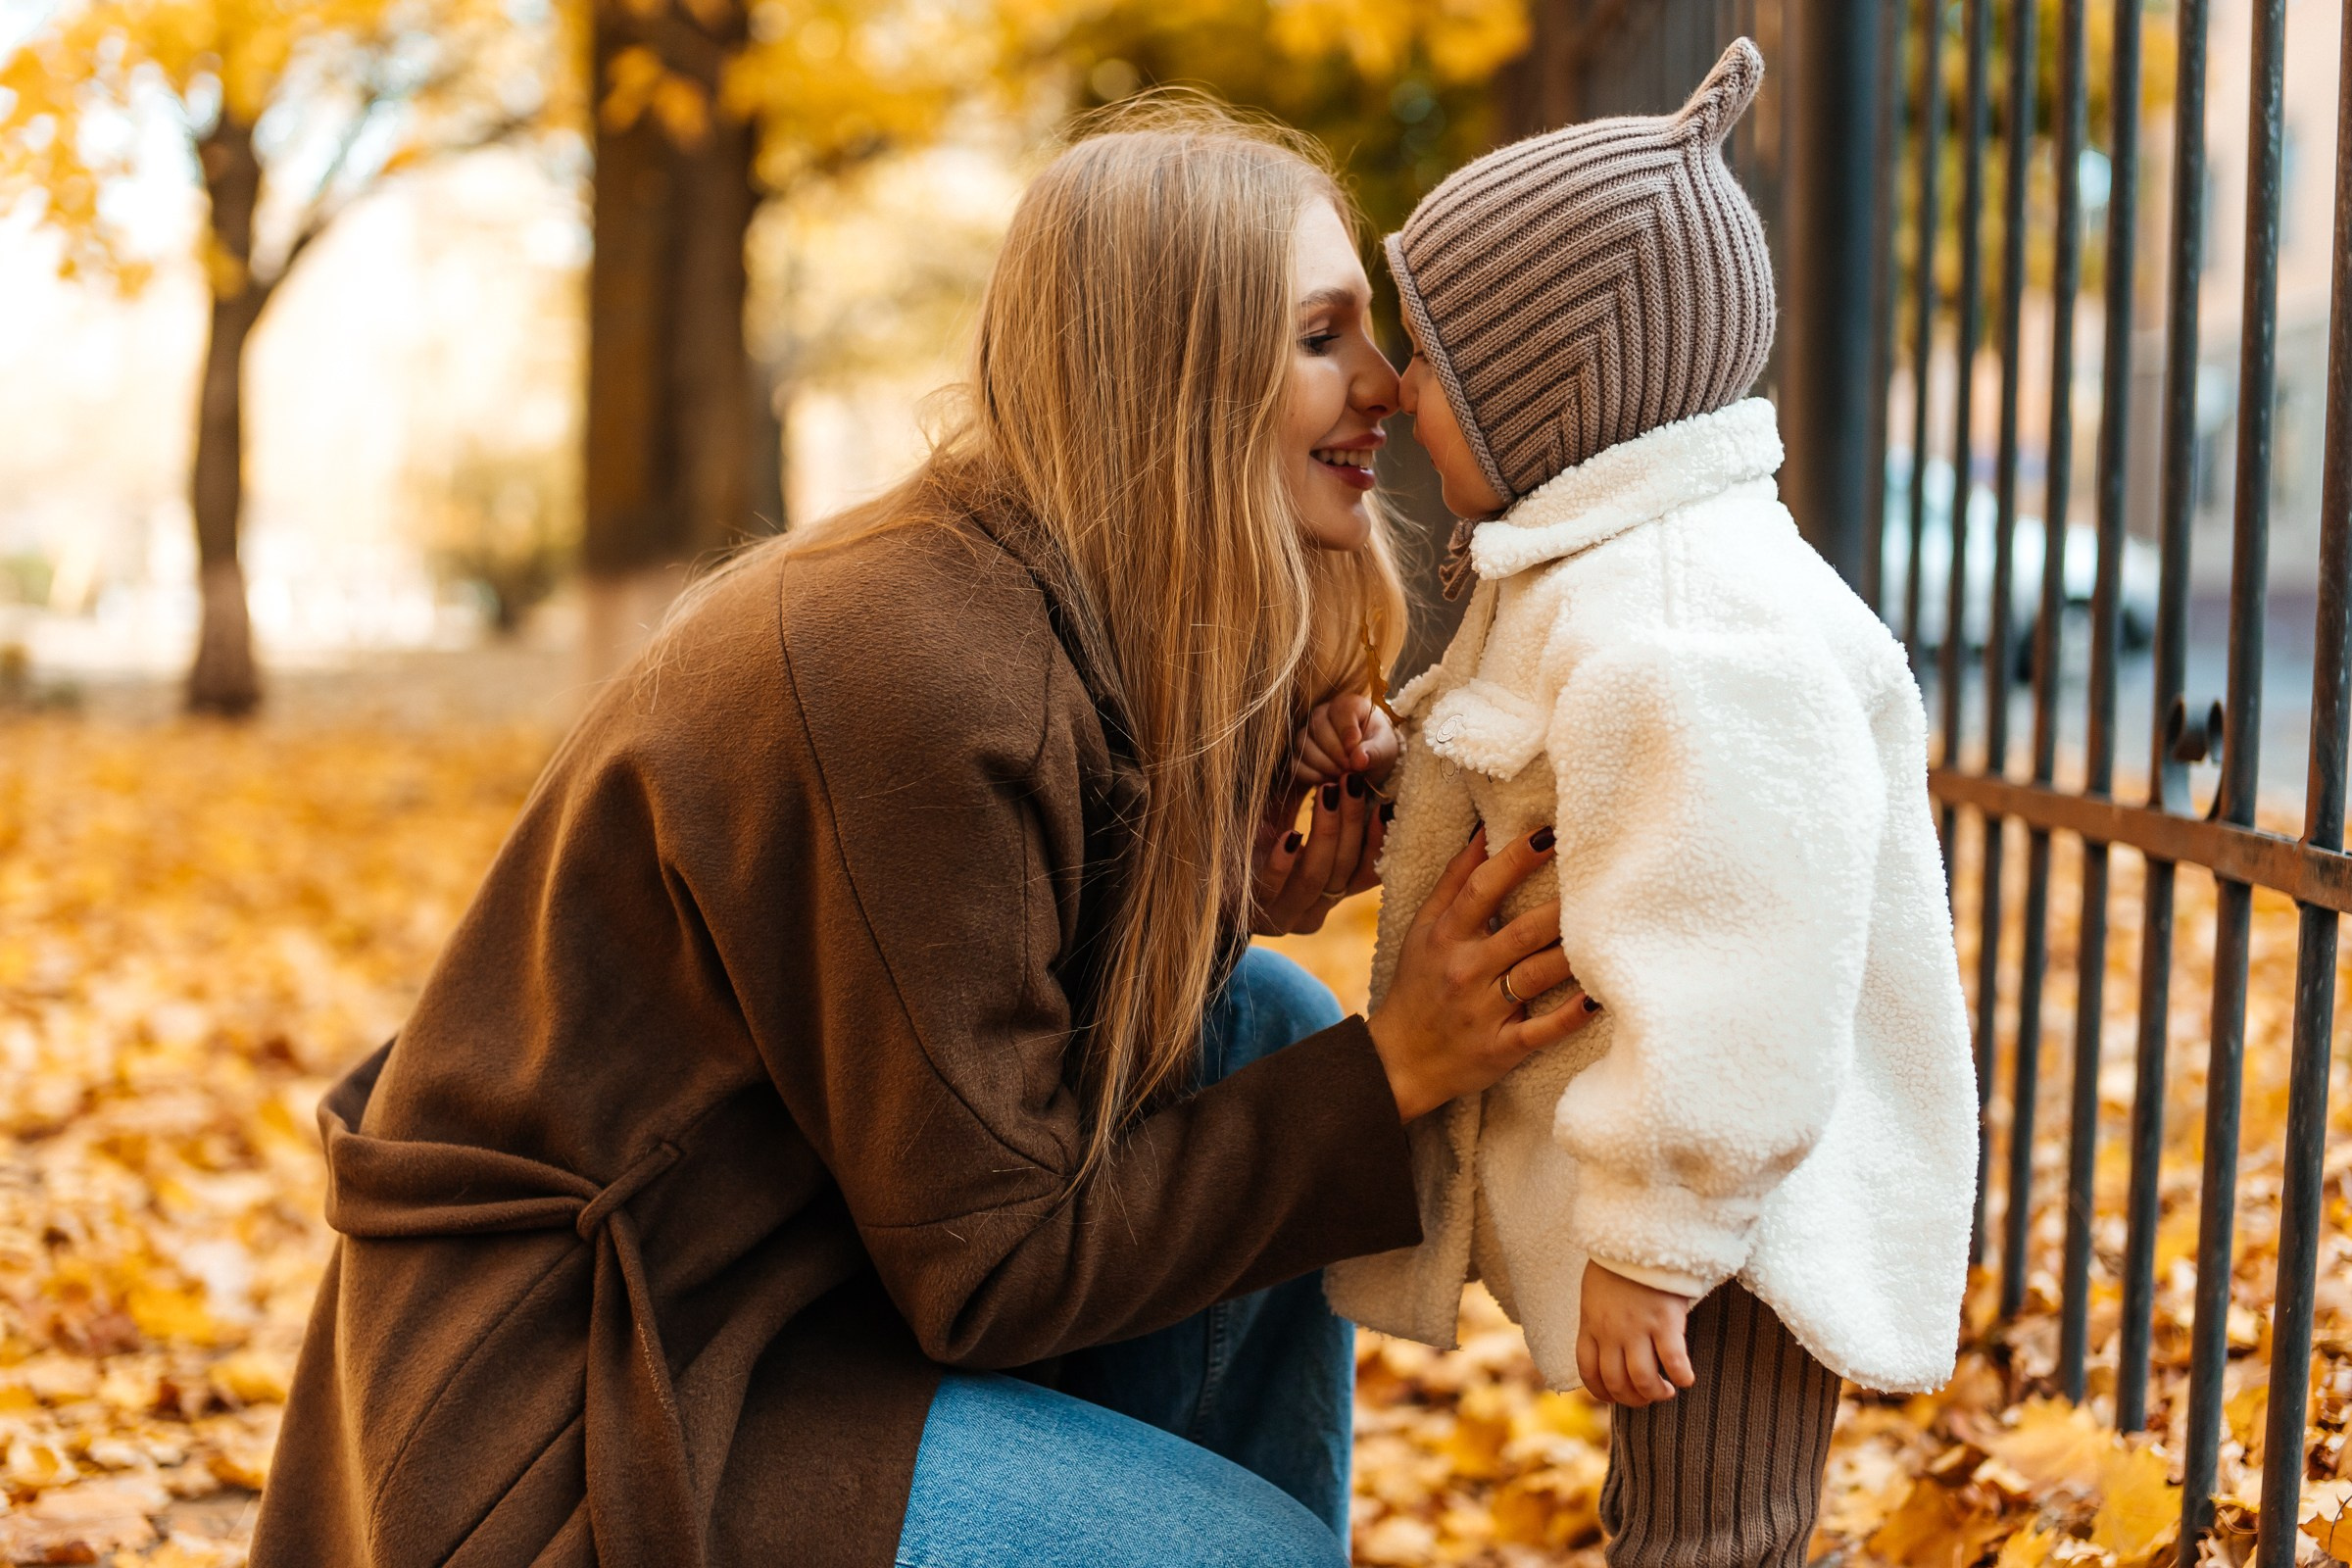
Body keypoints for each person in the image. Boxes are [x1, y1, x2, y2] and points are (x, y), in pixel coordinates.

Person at [249, 101, 1598, 1568]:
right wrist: (1400, 1060)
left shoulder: (1029, 607)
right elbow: (998, 1262)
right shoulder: (921, 672)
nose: (1391, 385)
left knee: (1261, 1021)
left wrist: (1228, 894)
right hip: (592, 1408)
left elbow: (966, 1068)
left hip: (794, 1302)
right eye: (1323, 335)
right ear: (1178, 373)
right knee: (1254, 1540)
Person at [1325, 39, 1979, 1568]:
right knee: (1676, 1521)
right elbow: (1557, 772)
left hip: (1744, 1216)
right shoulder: (1608, 572)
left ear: (1554, 396)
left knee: (1712, 1538)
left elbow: (1744, 945)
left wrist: (1668, 1236)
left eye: (1436, 362)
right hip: (1710, 1190)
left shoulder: (1683, 621)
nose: (1402, 392)